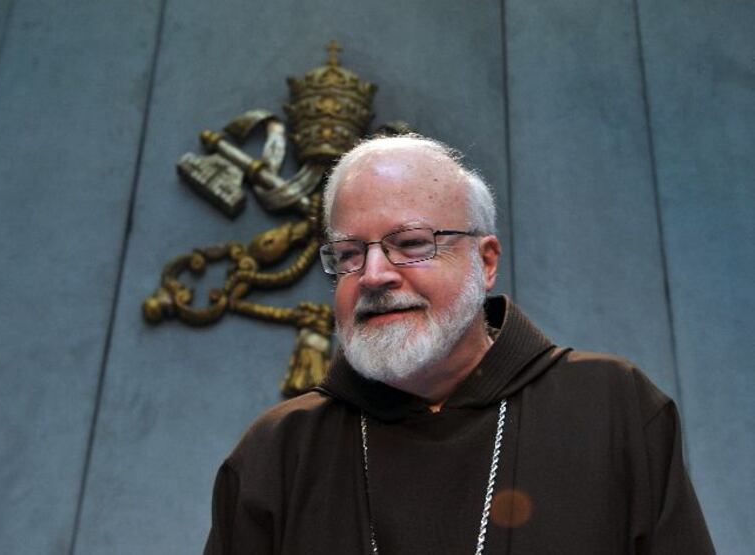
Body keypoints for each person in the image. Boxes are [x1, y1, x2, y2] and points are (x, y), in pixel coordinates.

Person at [204, 135, 714, 554]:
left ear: (485, 261)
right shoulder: (278, 451)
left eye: (411, 244)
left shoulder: (612, 408)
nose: (374, 275)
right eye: (350, 254)